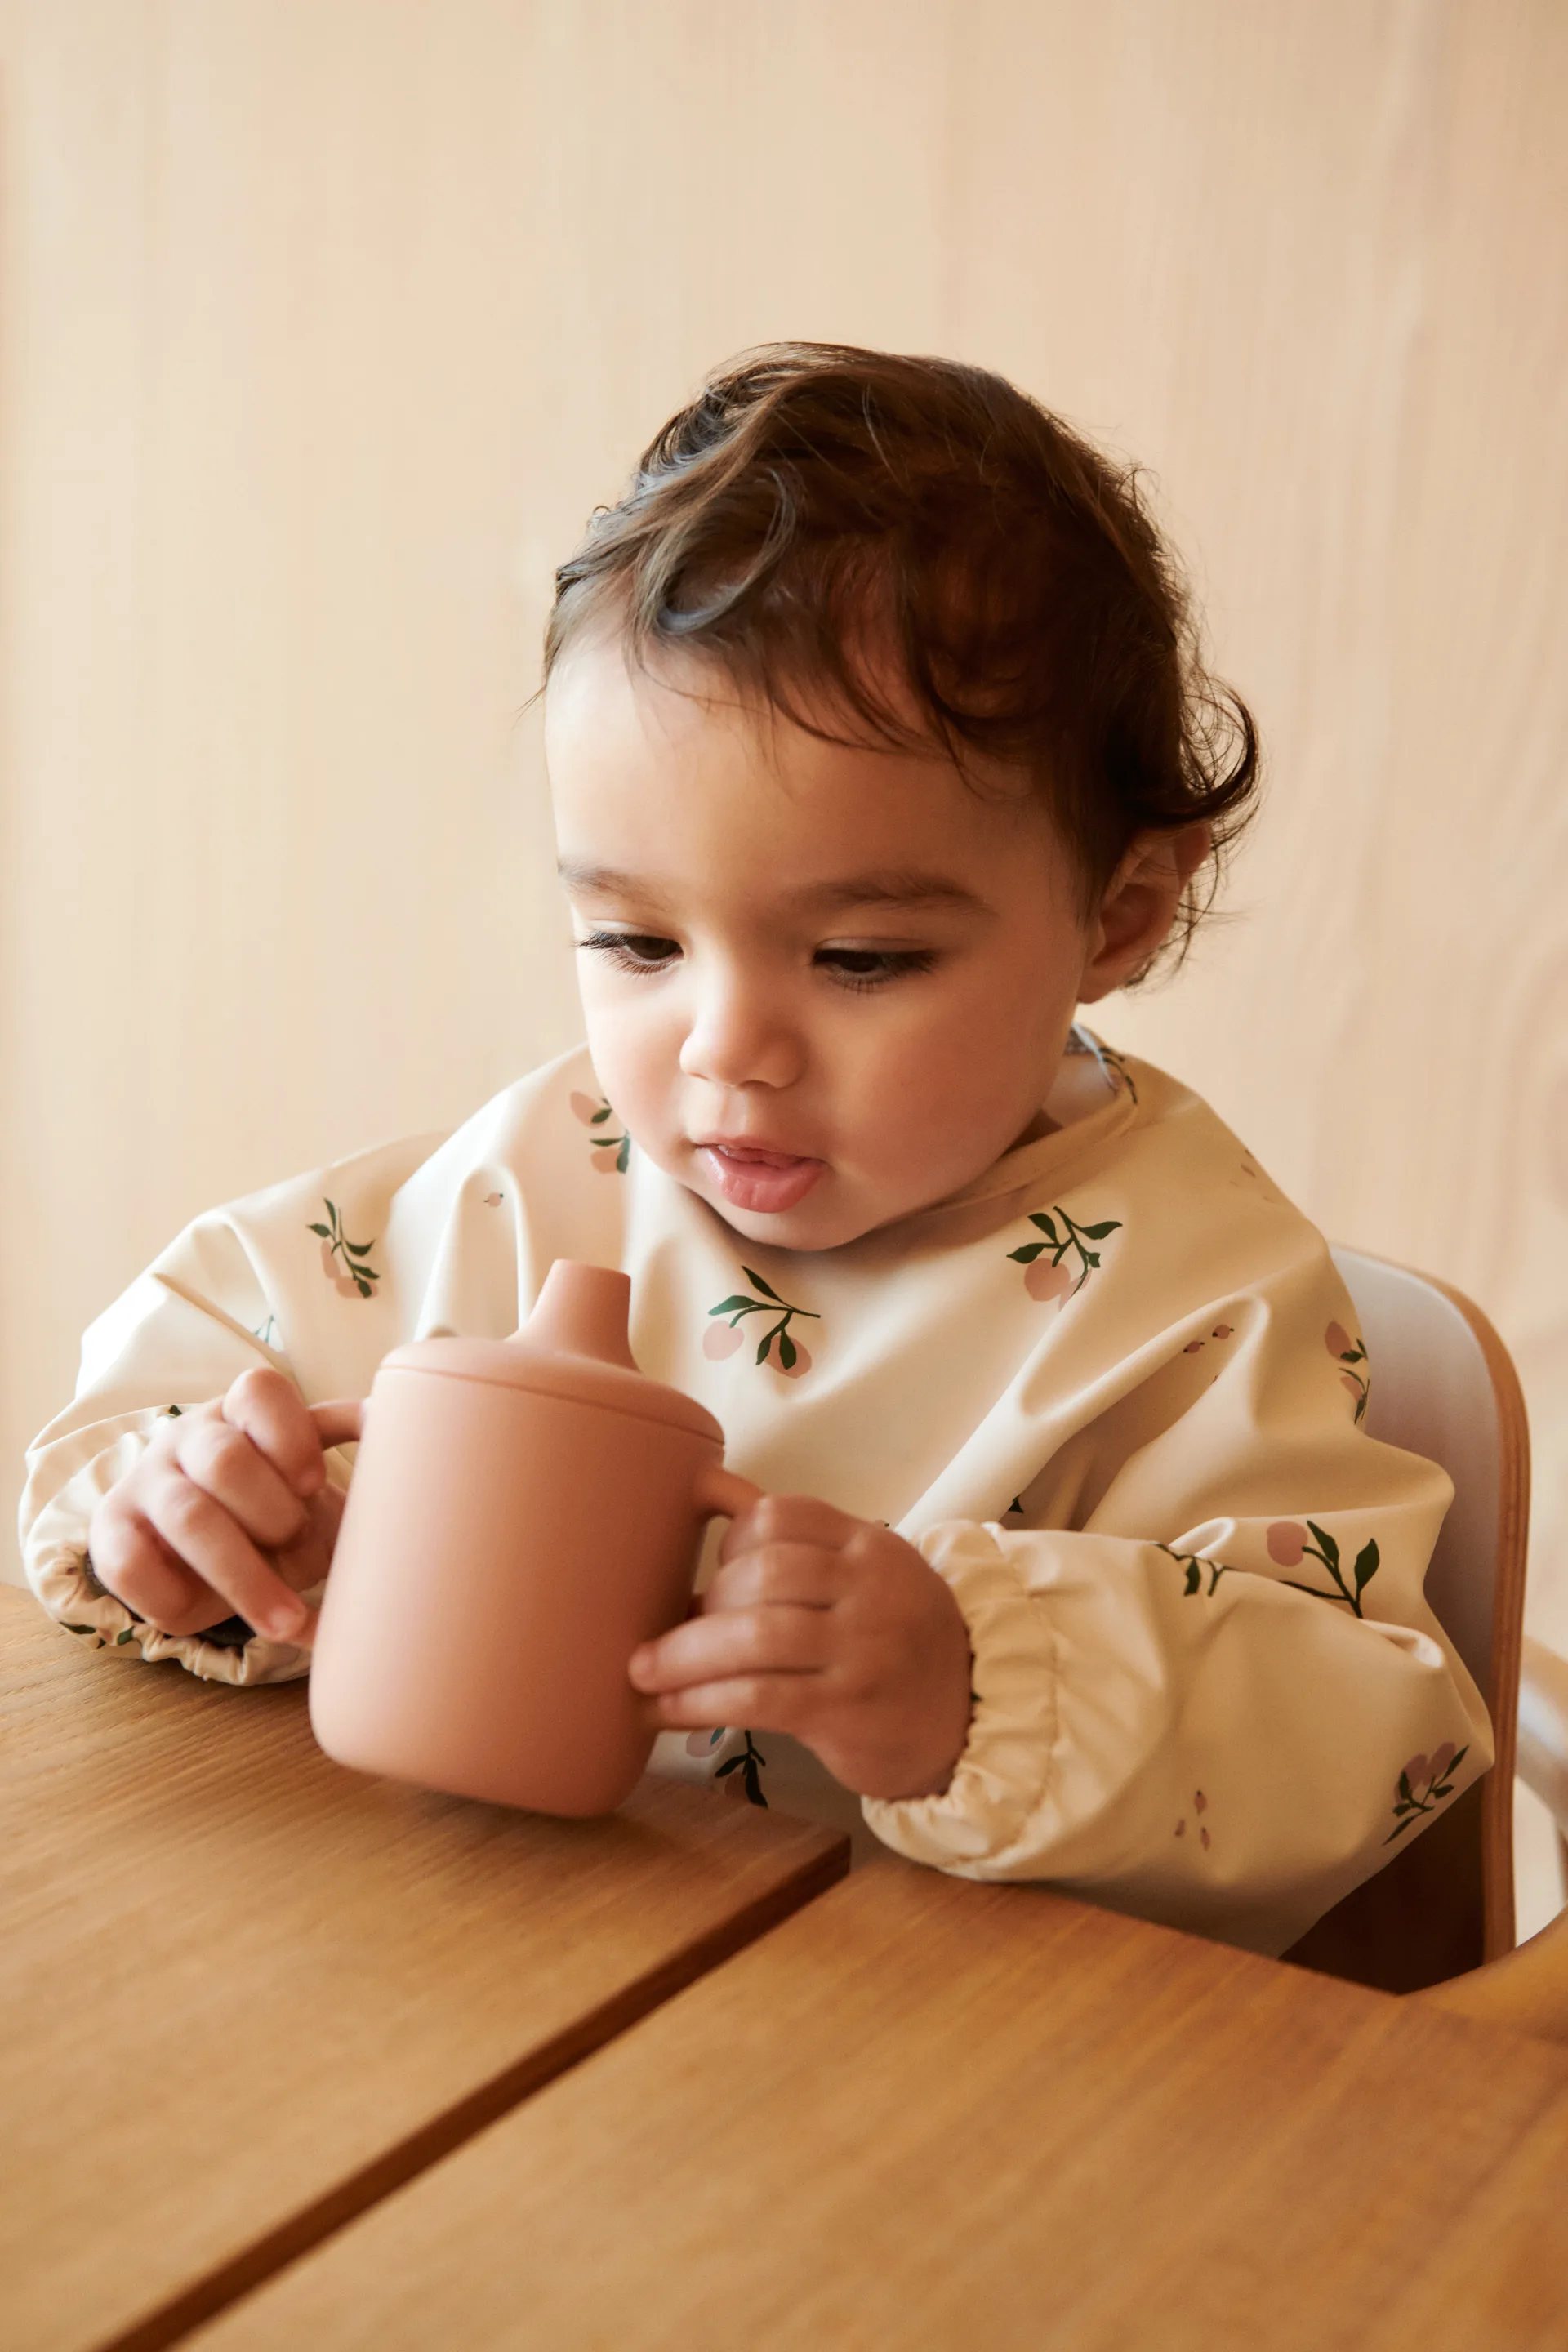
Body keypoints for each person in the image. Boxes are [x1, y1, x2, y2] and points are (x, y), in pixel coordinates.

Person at [19, 345, 1487, 1953]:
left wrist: (982, 1679)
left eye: (859, 960)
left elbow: (1362, 1733)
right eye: (636, 943)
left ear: (1119, 912)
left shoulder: (1192, 1299)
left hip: (928, 2073)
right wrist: (201, 1521)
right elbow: (202, 1360)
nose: (725, 1050)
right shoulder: (544, 1176)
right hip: (475, 1966)